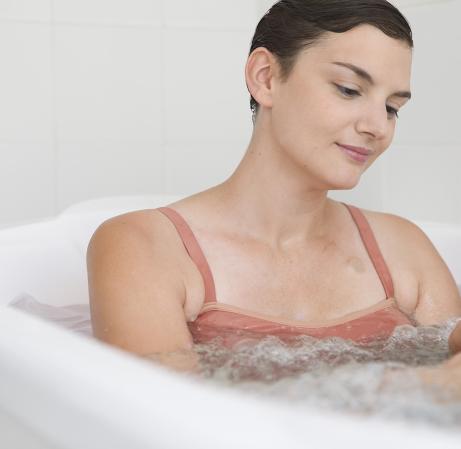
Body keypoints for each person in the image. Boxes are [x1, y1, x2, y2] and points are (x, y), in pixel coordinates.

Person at [86, 0, 461, 384]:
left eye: (392, 107)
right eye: (349, 90)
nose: (377, 126)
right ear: (265, 77)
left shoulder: (405, 248)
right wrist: (425, 385)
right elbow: (165, 423)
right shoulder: (142, 247)